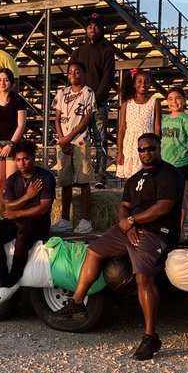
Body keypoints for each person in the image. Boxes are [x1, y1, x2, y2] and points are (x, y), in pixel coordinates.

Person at [53, 133, 184, 361]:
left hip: (156, 231)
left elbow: (163, 208)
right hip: (131, 229)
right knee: (94, 250)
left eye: (150, 148)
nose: (146, 153)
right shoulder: (134, 179)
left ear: (158, 147)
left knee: (144, 277)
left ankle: (150, 337)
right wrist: (125, 223)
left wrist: (133, 221)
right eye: (142, 149)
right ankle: (77, 302)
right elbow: (124, 205)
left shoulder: (170, 174)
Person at [0, 140, 55, 302]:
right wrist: (28, 196)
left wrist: (18, 213)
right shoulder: (12, 179)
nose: (22, 163)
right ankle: (4, 282)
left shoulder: (45, 177)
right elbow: (8, 206)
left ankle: (13, 280)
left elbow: (44, 208)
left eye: (25, 159)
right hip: (16, 219)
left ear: (33, 158)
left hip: (38, 221)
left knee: (22, 239)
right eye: (18, 160)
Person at [69, 13, 117, 189]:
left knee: (100, 141)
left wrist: (94, 100)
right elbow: (72, 77)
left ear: (101, 29)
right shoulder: (78, 52)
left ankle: (100, 177)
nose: (92, 30)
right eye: (89, 27)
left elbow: (108, 78)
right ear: (86, 29)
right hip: (80, 105)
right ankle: (82, 176)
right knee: (80, 141)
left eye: (96, 27)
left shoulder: (107, 51)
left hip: (98, 104)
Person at [50, 61, 96, 234]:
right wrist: (62, 139)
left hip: (80, 141)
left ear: (83, 74)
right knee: (65, 181)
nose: (73, 74)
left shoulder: (87, 92)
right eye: (70, 71)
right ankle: (65, 219)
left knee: (84, 181)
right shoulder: (62, 93)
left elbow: (87, 119)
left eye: (77, 71)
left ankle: (85, 220)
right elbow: (57, 117)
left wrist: (69, 138)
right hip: (63, 142)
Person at [0, 68, 28, 221]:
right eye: (0, 80)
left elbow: (21, 125)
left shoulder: (18, 101)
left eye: (6, 80)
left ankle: (11, 214)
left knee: (11, 181)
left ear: (12, 83)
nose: (2, 83)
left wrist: (11, 145)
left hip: (12, 144)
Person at [115, 68, 162, 181]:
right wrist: (120, 152)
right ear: (134, 84)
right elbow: (121, 128)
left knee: (148, 176)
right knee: (129, 178)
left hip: (148, 144)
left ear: (150, 84)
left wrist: (157, 147)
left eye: (146, 81)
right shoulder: (126, 104)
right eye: (139, 81)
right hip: (130, 145)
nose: (143, 84)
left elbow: (157, 127)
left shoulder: (154, 102)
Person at [161, 88, 188, 180]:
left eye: (178, 98)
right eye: (170, 99)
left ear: (184, 101)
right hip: (165, 163)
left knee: (180, 193)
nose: (174, 101)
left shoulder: (186, 119)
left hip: (181, 164)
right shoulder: (164, 119)